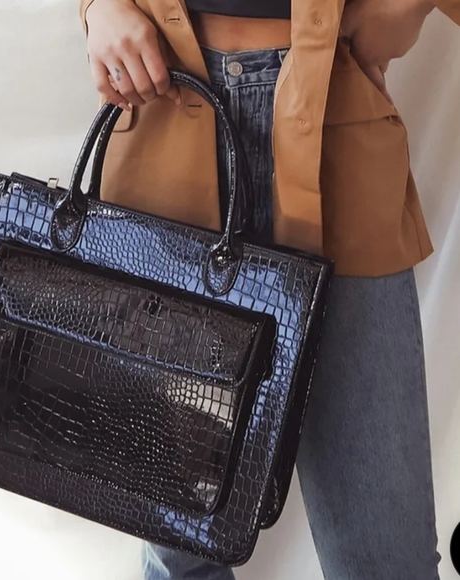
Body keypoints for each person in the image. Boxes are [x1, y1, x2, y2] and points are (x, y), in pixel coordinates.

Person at [78, 0, 460, 578]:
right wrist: (99, 6)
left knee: (387, 562)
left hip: (336, 131)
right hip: (159, 117)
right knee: (179, 553)